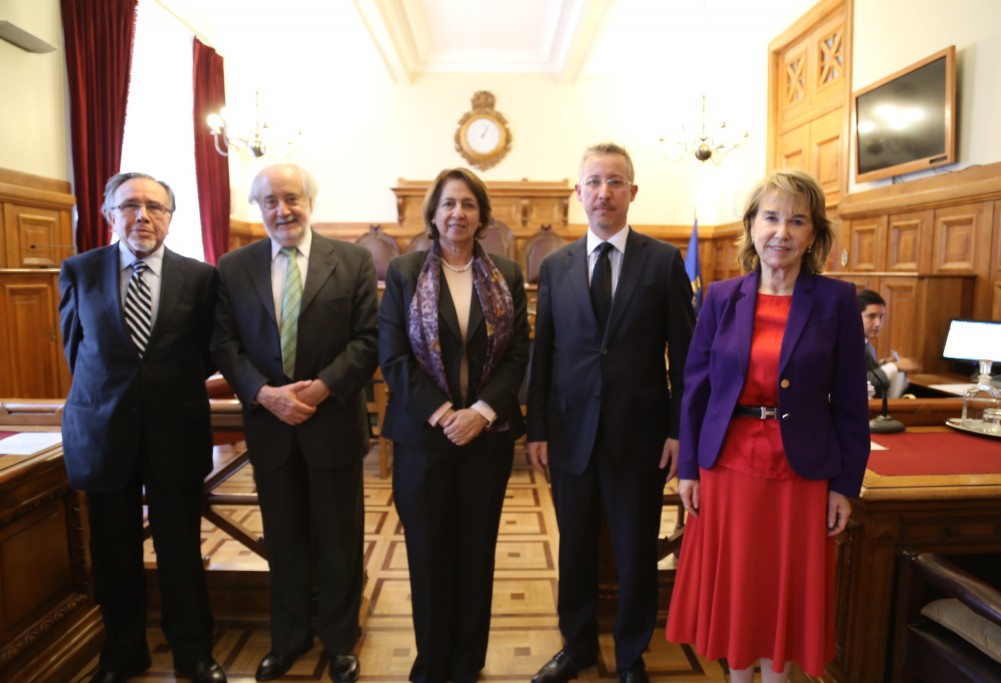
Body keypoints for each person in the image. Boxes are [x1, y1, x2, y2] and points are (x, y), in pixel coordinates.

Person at [665, 169, 871, 682]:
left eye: (797, 221)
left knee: (785, 588)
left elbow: (850, 400)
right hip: (728, 467)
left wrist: (846, 484)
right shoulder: (720, 296)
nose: (782, 232)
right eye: (771, 218)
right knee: (739, 588)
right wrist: (687, 468)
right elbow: (695, 390)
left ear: (813, 234)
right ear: (752, 227)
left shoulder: (837, 300)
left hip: (802, 472)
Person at [527, 142, 696, 683]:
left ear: (632, 192)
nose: (604, 192)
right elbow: (543, 353)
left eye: (615, 182)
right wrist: (537, 429)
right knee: (575, 548)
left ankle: (630, 656)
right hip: (569, 432)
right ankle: (576, 647)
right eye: (594, 182)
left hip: (640, 435)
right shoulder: (555, 266)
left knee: (634, 551)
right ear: (579, 192)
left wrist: (679, 431)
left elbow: (685, 358)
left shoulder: (664, 261)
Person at [210, 163, 378, 683]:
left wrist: (321, 387)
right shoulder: (233, 267)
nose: (282, 210)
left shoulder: (352, 260)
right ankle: (288, 639)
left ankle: (340, 640)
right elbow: (223, 344)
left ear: (309, 201)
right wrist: (265, 395)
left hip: (333, 423)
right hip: (270, 427)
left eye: (292, 198)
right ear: (258, 207)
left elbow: (369, 339)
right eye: (270, 201)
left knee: (338, 540)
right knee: (283, 541)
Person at [59, 172, 225, 683]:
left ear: (171, 218)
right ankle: (124, 652)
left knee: (180, 550)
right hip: (103, 433)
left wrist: (161, 388)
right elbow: (75, 348)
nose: (143, 216)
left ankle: (193, 654)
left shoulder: (201, 278)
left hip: (175, 431)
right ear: (110, 214)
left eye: (156, 206)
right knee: (113, 553)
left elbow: (207, 353)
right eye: (131, 205)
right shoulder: (80, 270)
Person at [378, 168, 530, 683]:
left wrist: (481, 413)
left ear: (481, 216)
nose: (457, 214)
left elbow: (518, 354)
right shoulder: (404, 272)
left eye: (468, 204)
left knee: (476, 552)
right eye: (448, 204)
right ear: (433, 214)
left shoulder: (506, 273)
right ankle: (432, 662)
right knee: (428, 554)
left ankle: (467, 662)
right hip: (423, 438)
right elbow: (393, 356)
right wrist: (445, 414)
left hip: (486, 438)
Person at [859, 288, 921, 398]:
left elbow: (867, 369)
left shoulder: (866, 341)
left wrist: (884, 363)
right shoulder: (847, 345)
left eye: (881, 316)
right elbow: (861, 382)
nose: (878, 323)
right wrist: (895, 366)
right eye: (872, 316)